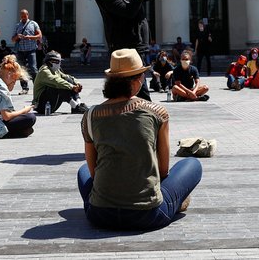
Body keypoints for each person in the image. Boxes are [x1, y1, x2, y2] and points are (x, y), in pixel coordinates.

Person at [77, 49, 202, 230]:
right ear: (136, 81)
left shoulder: (90, 115)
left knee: (83, 171)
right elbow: (163, 170)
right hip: (148, 214)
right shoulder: (157, 112)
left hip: (100, 214)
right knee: (192, 164)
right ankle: (173, 202)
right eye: (142, 76)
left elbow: (93, 169)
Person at [95, 0, 159, 100]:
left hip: (138, 46)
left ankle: (138, 112)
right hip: (124, 48)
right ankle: (144, 114)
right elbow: (128, 12)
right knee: (136, 87)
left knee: (137, 85)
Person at [11, 8, 43, 94]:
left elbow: (39, 36)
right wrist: (18, 36)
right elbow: (13, 39)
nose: (23, 18)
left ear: (28, 15)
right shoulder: (18, 25)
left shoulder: (33, 24)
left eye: (24, 16)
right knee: (21, 69)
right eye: (22, 16)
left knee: (33, 68)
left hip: (31, 50)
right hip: (20, 51)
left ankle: (37, 87)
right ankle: (24, 88)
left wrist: (29, 37)